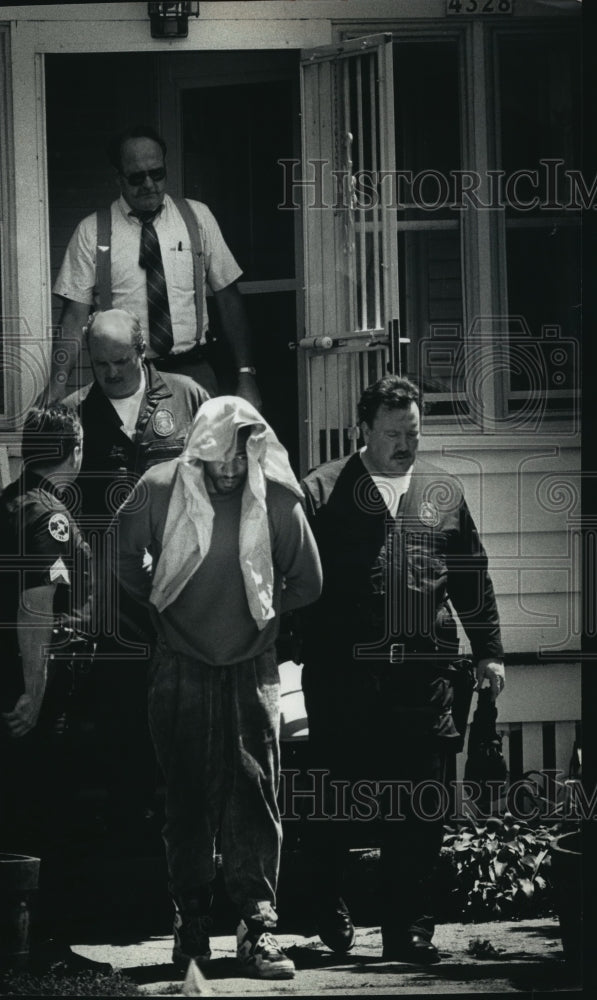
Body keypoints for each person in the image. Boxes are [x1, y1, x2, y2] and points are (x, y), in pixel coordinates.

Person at [111, 396, 322, 979]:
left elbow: (308, 579)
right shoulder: (158, 488)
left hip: (252, 667)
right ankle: (192, 922)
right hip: (179, 664)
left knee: (255, 795)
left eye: (239, 456)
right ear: (198, 448)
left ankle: (257, 928)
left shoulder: (275, 495)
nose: (229, 470)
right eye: (217, 457)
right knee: (186, 799)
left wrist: (262, 614)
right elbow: (123, 560)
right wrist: (166, 606)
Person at [300, 374, 505, 965]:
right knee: (340, 801)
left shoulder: (442, 491)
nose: (405, 444)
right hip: (345, 681)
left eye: (413, 432)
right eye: (393, 434)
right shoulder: (322, 491)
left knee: (420, 811)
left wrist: (488, 650)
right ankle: (322, 898)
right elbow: (293, 576)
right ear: (363, 430)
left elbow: (471, 576)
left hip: (424, 681)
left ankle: (409, 931)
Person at [63, 307, 208, 840]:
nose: (112, 374)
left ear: (143, 348)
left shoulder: (190, 397)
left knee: (191, 704)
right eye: (100, 364)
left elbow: (224, 476)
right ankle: (130, 823)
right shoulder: (74, 414)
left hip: (185, 582)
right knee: (123, 708)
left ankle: (192, 822)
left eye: (121, 361)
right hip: (111, 594)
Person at [0, 405, 112, 974]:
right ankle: (46, 946)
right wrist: (36, 692)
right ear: (74, 450)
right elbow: (35, 606)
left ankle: (25, 942)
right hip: (42, 693)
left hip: (18, 685)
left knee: (21, 810)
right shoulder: (48, 515)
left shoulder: (11, 503)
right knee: (48, 814)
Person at [50, 123, 260, 409]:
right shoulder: (91, 232)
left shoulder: (197, 217)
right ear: (119, 179)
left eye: (157, 173)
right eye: (137, 177)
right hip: (125, 378)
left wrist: (246, 375)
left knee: (201, 453)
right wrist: (56, 387)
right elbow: (74, 319)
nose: (149, 184)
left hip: (194, 371)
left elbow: (228, 298)